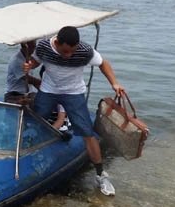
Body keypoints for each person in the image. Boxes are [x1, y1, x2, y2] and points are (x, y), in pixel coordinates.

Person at [23, 26, 125, 196]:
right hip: (49, 90)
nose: (69, 55)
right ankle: (27, 158)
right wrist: (29, 66)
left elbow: (103, 63)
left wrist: (114, 83)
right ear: (57, 42)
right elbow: (35, 61)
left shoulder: (85, 51)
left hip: (73, 93)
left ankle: (101, 175)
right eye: (65, 51)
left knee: (87, 132)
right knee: (35, 123)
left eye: (72, 51)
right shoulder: (43, 47)